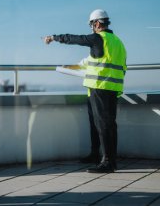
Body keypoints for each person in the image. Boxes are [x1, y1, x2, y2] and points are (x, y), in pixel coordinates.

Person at [43, 9, 127, 173]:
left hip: (100, 87)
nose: (92, 28)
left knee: (103, 125)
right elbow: (117, 65)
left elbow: (74, 39)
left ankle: (108, 162)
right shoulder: (118, 42)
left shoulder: (98, 38)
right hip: (112, 88)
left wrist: (53, 37)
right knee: (104, 124)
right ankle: (97, 155)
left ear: (96, 23)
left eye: (92, 24)